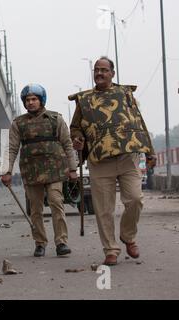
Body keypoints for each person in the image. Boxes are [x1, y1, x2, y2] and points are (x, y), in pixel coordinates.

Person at [69, 57, 157, 266]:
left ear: (112, 74)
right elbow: (75, 127)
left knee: (135, 199)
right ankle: (111, 249)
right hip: (100, 160)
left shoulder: (125, 94)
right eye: (96, 70)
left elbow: (138, 122)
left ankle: (128, 236)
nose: (99, 73)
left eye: (104, 70)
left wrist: (149, 151)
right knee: (104, 209)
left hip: (128, 156)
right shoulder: (84, 100)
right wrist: (78, 138)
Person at [1, 84, 77, 257]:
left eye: (34, 99)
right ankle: (40, 242)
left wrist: (72, 168)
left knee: (56, 202)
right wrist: (7, 171)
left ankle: (61, 242)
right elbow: (12, 148)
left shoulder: (55, 119)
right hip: (31, 172)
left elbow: (67, 143)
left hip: (55, 170)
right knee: (35, 209)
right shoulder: (18, 123)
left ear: (41, 100)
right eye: (27, 100)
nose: (30, 103)